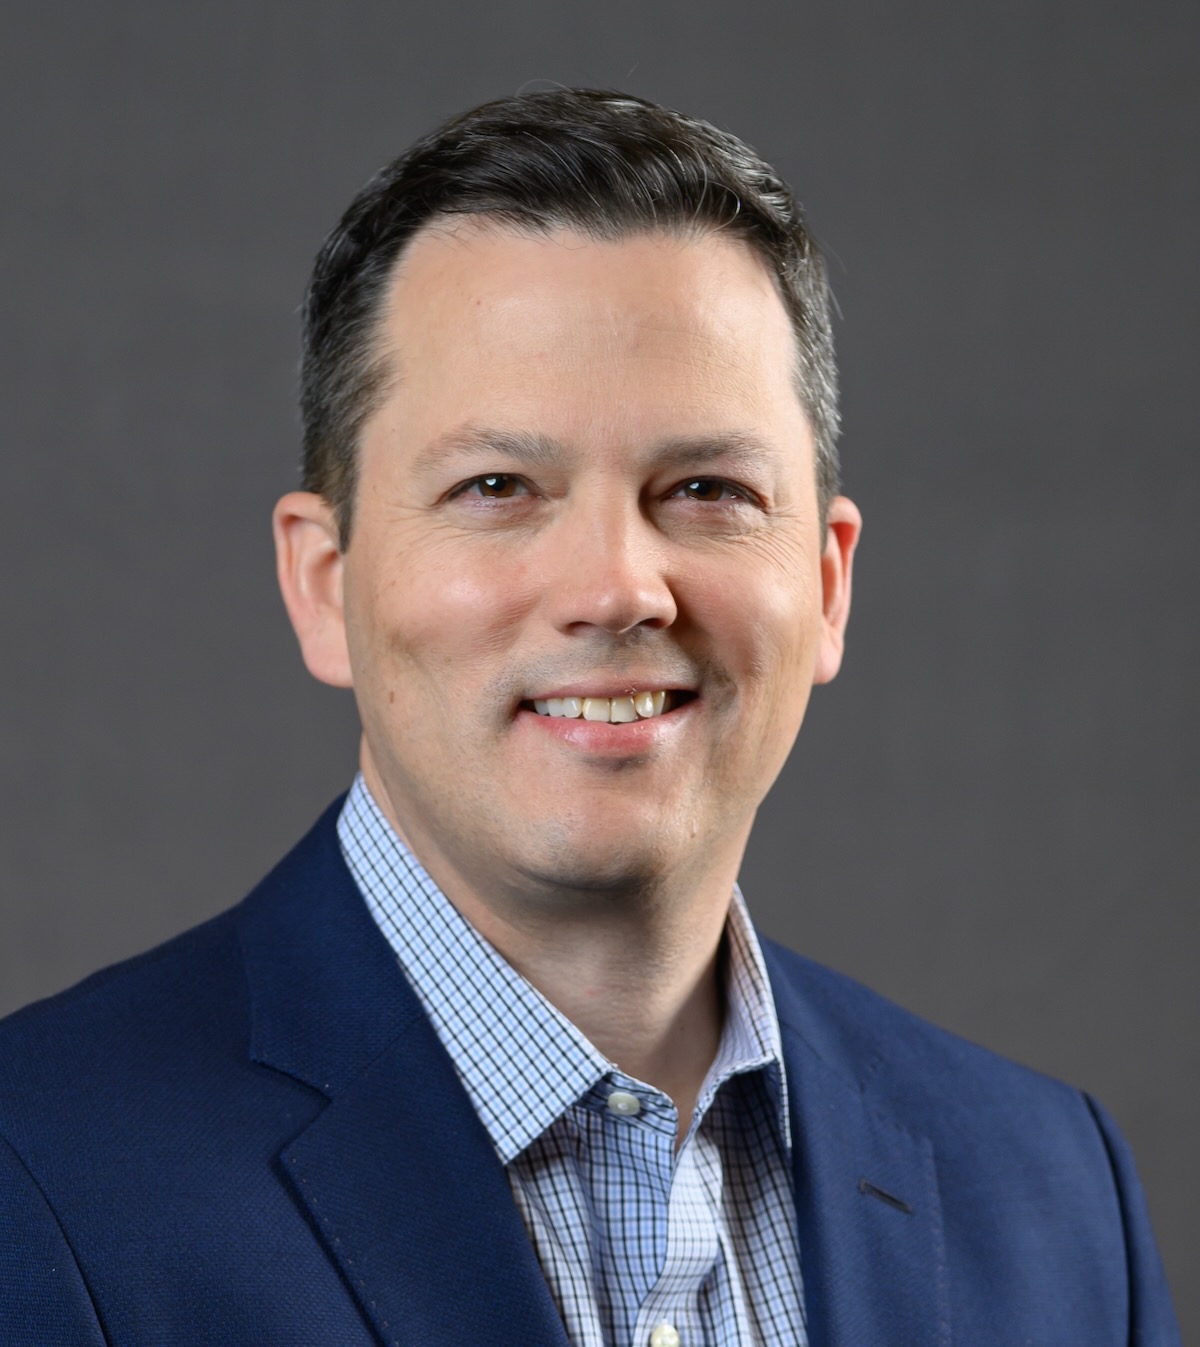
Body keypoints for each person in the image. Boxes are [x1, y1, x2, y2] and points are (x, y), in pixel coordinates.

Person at [0, 89, 1178, 1347]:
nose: (617, 586)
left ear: (828, 584)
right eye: (497, 486)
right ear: (326, 583)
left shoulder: (1055, 1201)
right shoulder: (39, 1179)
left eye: (708, 488)